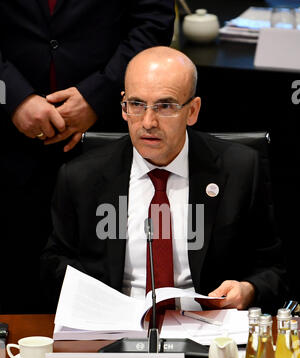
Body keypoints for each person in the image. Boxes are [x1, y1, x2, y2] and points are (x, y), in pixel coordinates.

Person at [41, 46, 288, 314]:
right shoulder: (81, 177)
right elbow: (54, 263)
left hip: (207, 327)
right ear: (123, 107)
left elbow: (274, 270)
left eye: (165, 106)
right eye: (136, 104)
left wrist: (248, 290)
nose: (148, 122)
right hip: (115, 328)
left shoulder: (240, 170)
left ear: (192, 111)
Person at [0, 1, 175, 313]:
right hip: (8, 140)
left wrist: (100, 95)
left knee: (105, 291)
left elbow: (152, 22)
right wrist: (11, 95)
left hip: (107, 132)